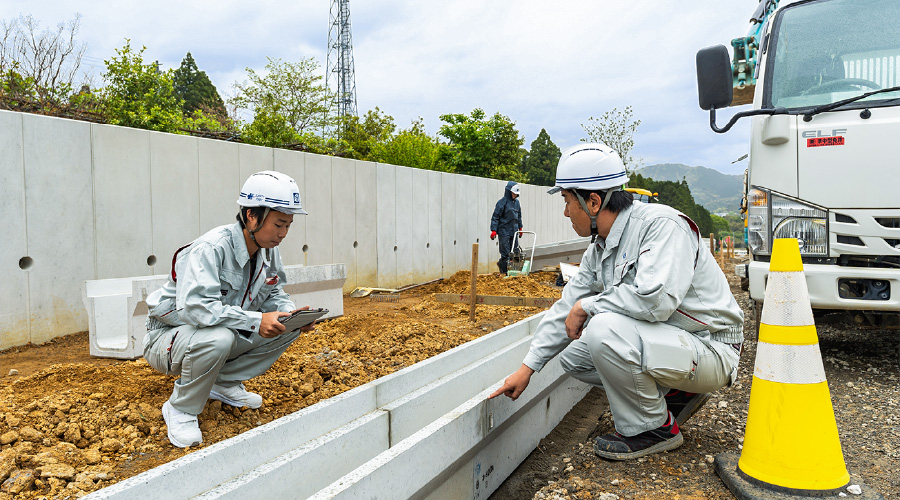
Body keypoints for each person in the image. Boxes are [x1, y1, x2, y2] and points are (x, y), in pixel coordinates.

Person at [489, 143, 743, 461]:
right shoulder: (600, 248)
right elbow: (566, 307)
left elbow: (656, 299)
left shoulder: (661, 226)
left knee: (603, 328)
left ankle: (654, 430)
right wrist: (528, 369)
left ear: (593, 201)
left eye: (568, 202)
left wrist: (589, 306)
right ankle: (675, 394)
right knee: (572, 350)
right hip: (675, 343)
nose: (565, 212)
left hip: (712, 348)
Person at [143, 170, 316, 448]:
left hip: (216, 330)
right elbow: (197, 310)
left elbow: (273, 291)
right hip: (169, 338)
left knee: (285, 326)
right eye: (279, 224)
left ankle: (220, 383)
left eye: (289, 225)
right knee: (220, 337)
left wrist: (291, 314)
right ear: (251, 216)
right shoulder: (210, 248)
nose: (283, 234)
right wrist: (256, 319)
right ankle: (182, 408)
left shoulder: (268, 250)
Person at [490, 181, 524, 274]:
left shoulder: (517, 203)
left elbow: (519, 216)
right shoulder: (502, 202)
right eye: (514, 193)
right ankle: (505, 272)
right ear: (509, 192)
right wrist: (494, 230)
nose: (515, 195)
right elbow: (495, 216)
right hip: (504, 231)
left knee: (516, 252)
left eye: (516, 194)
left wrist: (520, 228)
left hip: (514, 230)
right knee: (505, 253)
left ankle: (516, 271)